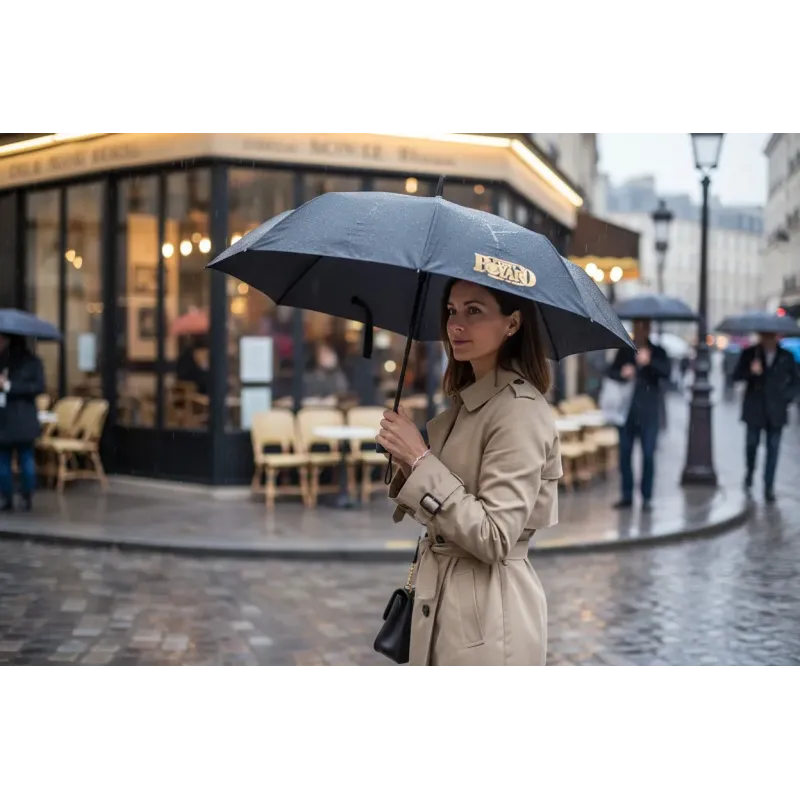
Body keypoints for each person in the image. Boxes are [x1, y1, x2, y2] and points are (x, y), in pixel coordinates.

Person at [377, 278, 561, 669]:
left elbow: (494, 535)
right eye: (451, 311)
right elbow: (451, 503)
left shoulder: (519, 411)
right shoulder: (471, 403)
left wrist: (421, 458)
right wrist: (410, 460)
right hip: (450, 606)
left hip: (491, 619)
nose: (456, 325)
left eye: (474, 311)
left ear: (512, 324)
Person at [607, 318, 671, 512]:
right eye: (637, 326)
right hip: (626, 413)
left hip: (649, 413)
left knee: (648, 455)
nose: (641, 330)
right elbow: (611, 372)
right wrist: (623, 373)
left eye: (644, 326)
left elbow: (666, 373)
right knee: (624, 456)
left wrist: (649, 362)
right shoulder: (625, 350)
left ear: (649, 328)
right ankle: (627, 496)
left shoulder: (659, 351)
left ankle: (647, 497)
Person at [732, 332, 800, 503]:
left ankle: (768, 485)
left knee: (773, 449)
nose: (768, 339)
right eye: (765, 336)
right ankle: (749, 473)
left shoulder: (786, 356)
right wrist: (751, 371)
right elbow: (736, 376)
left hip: (776, 411)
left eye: (771, 336)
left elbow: (796, 381)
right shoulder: (750, 354)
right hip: (755, 409)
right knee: (751, 444)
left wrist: (787, 397)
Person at [0, 334, 45, 512]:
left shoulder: (5, 362)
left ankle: (8, 497)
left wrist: (8, 386)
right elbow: (39, 387)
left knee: (5, 460)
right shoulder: (35, 362)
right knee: (26, 458)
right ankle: (27, 496)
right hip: (24, 419)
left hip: (7, 419)